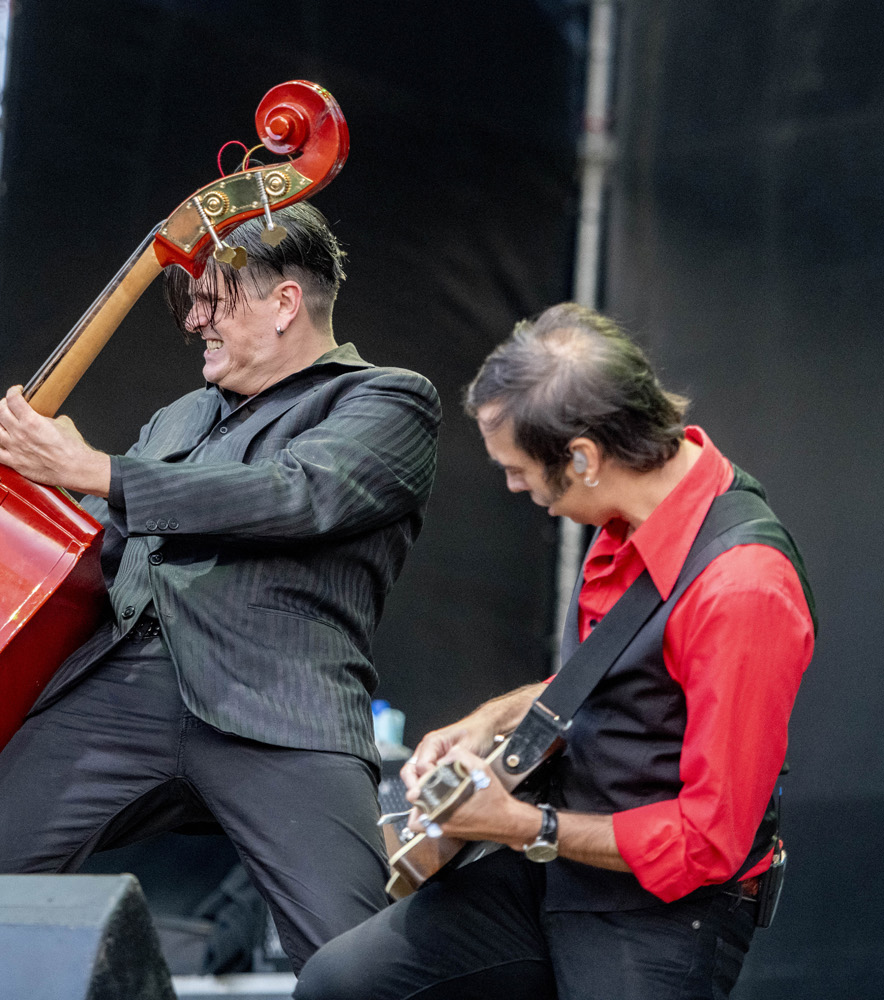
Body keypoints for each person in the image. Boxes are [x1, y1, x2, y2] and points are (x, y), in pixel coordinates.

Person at [0, 202, 442, 971]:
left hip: (280, 707)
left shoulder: (386, 399)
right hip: (120, 692)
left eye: (211, 302)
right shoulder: (179, 417)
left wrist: (95, 470)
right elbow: (103, 551)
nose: (195, 321)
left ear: (285, 304)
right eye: (193, 303)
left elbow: (296, 495)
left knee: (354, 961)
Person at [295, 303, 815, 1000]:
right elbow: (614, 678)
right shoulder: (627, 511)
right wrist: (487, 723)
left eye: (519, 470)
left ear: (583, 458)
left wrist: (521, 825)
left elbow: (709, 841)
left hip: (664, 911)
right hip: (557, 864)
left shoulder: (744, 589)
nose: (514, 486)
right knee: (340, 984)